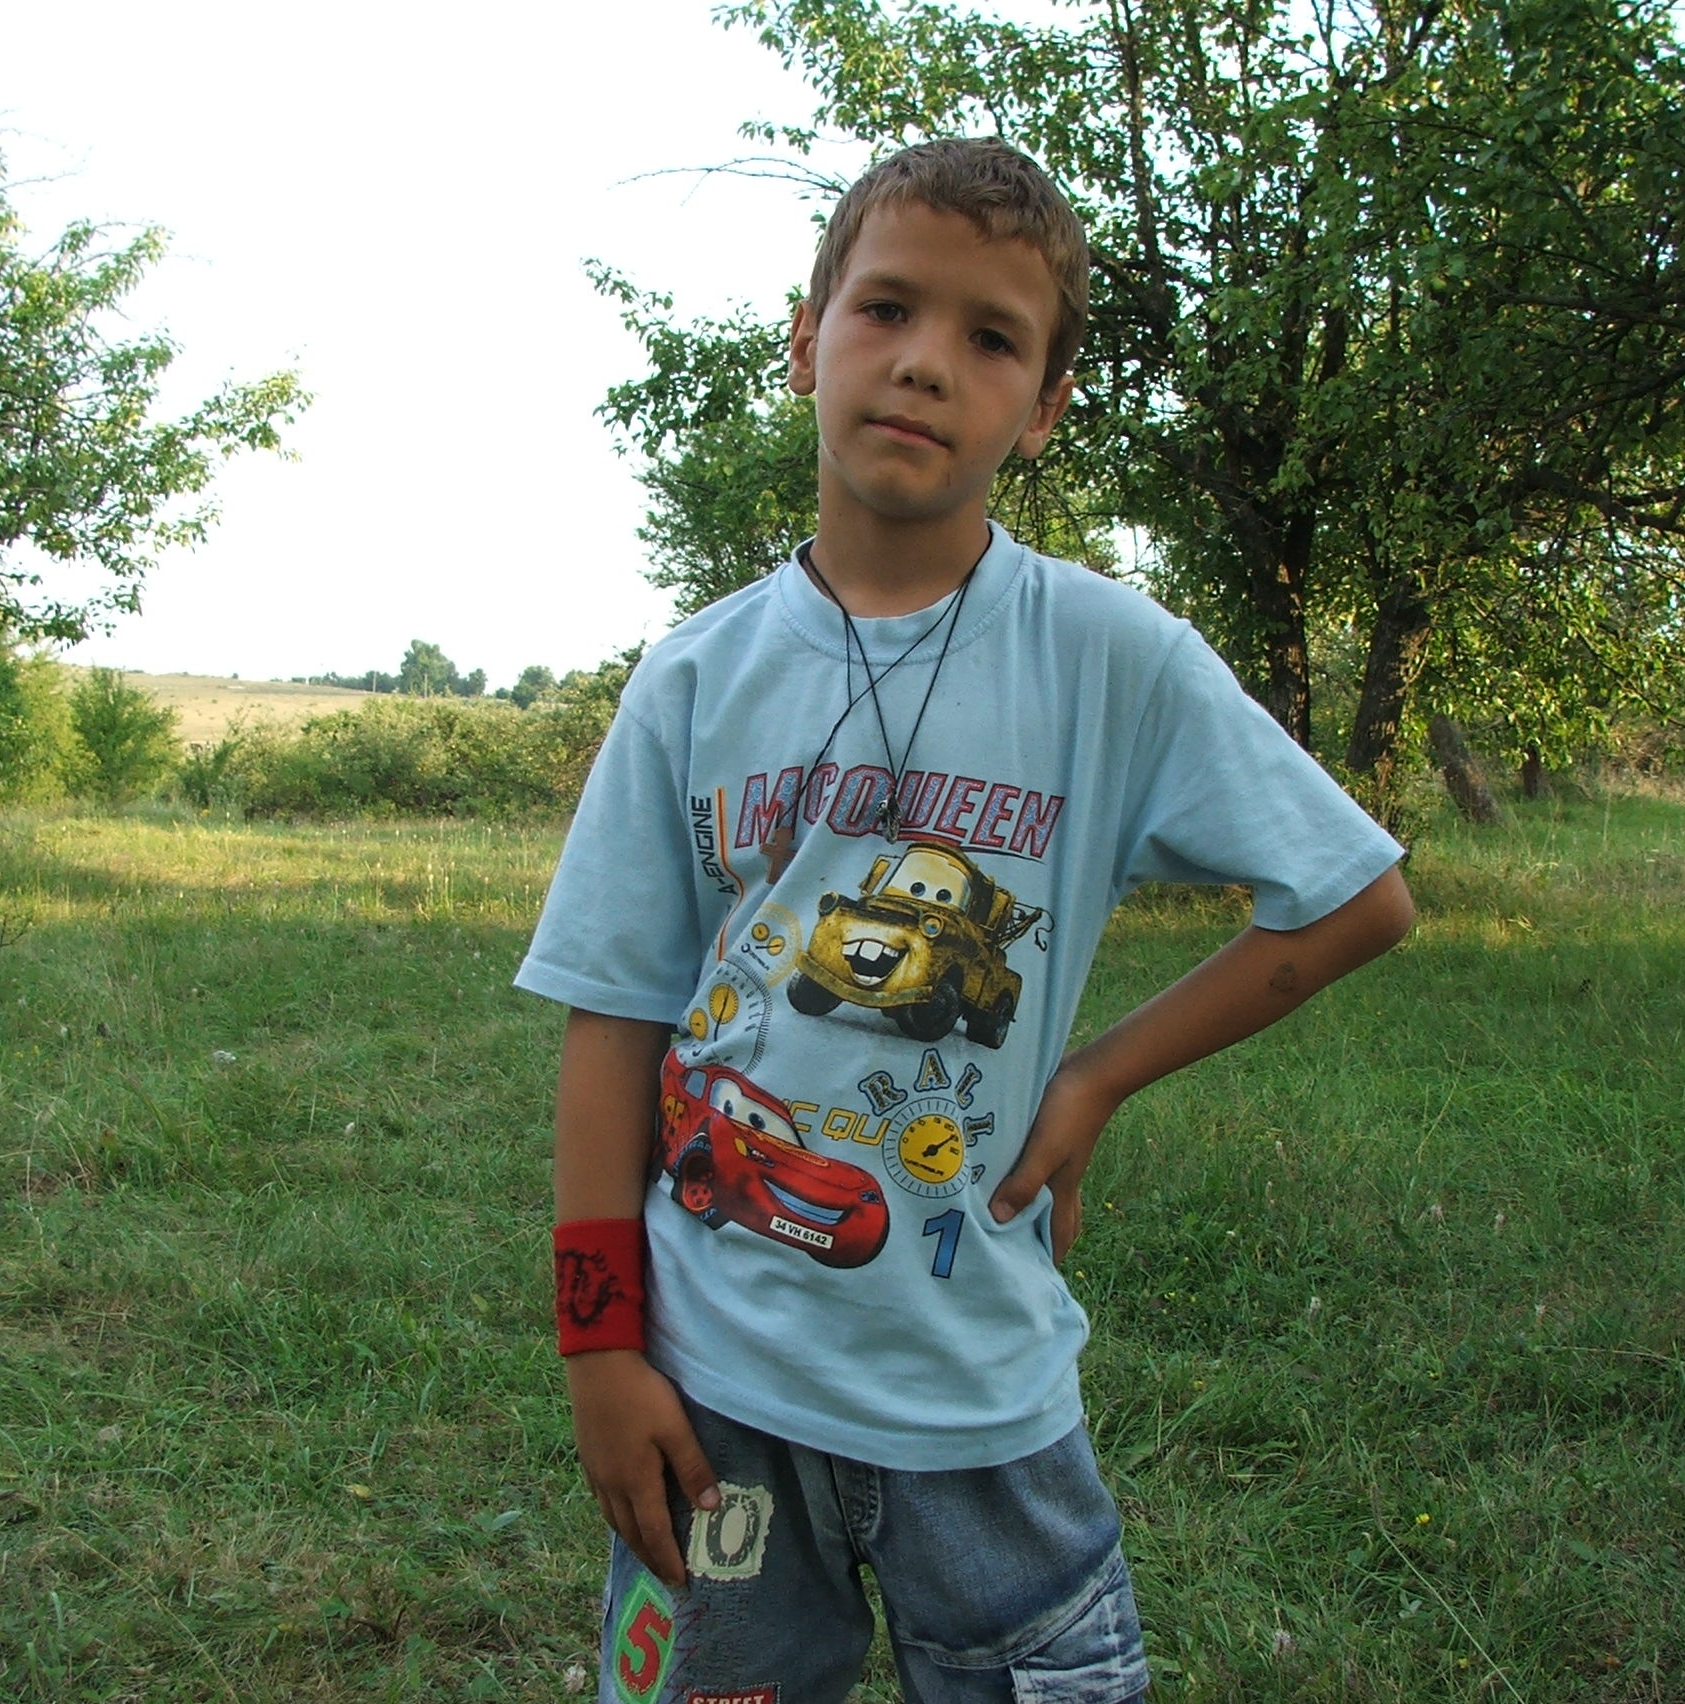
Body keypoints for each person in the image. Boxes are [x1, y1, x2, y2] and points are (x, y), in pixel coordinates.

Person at [517, 136, 1414, 1704]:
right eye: (886, 310)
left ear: (1043, 407)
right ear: (807, 339)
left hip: (981, 1400)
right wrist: (599, 1346)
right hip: (716, 1382)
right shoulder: (694, 679)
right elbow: (616, 1016)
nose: (926, 362)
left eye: (991, 338)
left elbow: (1353, 897)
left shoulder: (1109, 658)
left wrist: (1097, 1076)